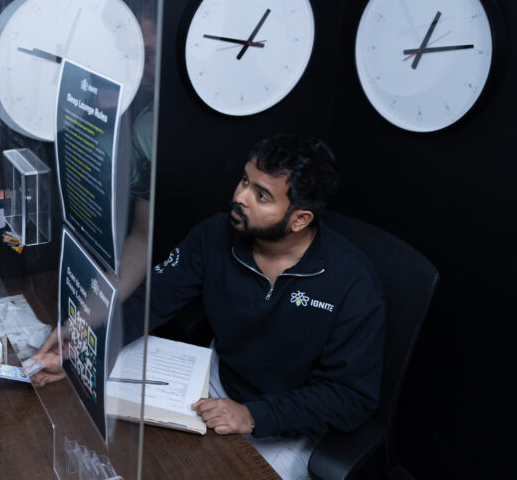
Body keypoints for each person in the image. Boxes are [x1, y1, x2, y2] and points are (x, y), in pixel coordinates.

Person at [34, 134, 385, 480]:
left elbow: (350, 397)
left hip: (288, 421)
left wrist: (253, 415)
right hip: (216, 382)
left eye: (261, 195)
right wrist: (82, 345)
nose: (239, 197)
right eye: (244, 180)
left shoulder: (353, 282)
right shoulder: (216, 234)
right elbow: (150, 300)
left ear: (300, 220)